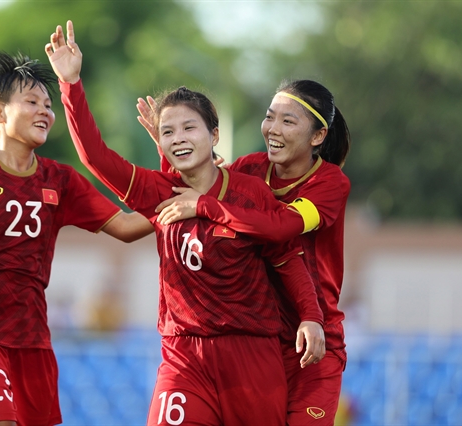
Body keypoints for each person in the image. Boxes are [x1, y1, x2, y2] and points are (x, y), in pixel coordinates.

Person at [46, 20, 325, 425]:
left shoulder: (251, 194)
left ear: (213, 135)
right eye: (167, 132)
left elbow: (287, 258)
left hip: (251, 356)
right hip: (184, 356)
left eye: (189, 127)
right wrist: (70, 83)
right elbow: (96, 156)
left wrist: (311, 316)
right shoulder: (158, 191)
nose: (178, 138)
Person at [0, 50, 154, 426]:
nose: (45, 111)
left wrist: (189, 199)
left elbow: (125, 228)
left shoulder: (60, 179)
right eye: (31, 102)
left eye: (48, 104)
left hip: (31, 333)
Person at [138, 78, 351, 424]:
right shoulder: (248, 169)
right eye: (270, 117)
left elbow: (279, 227)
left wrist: (207, 205)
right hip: (259, 342)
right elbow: (187, 193)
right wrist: (173, 150)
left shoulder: (330, 183)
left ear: (318, 136)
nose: (273, 129)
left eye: (288, 121)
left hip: (312, 343)